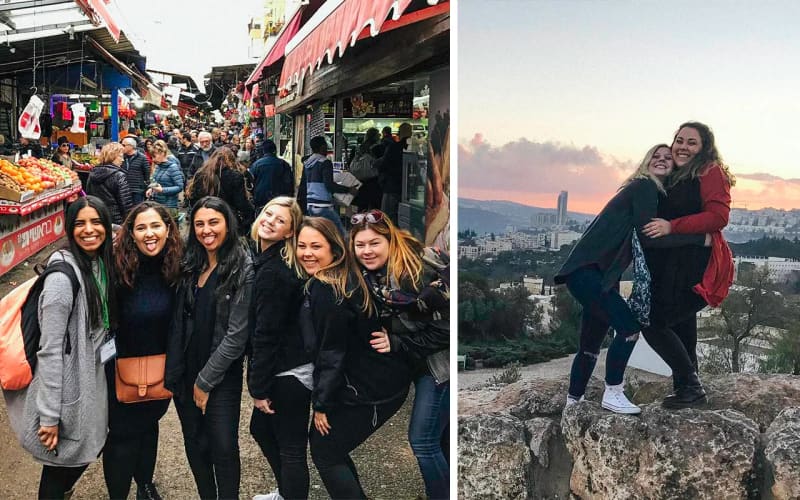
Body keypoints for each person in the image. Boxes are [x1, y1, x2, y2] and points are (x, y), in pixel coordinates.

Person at [554, 144, 710, 414]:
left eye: (666, 158)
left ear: (673, 167)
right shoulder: (644, 187)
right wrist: (700, 238)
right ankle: (613, 392)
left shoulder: (639, 190)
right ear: (645, 163)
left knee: (590, 346)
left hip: (595, 275)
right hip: (589, 273)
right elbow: (649, 236)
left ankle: (573, 403)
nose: (661, 160)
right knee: (628, 329)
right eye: (655, 157)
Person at [4, 196, 116, 499]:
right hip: (66, 389)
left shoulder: (98, 263)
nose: (89, 230)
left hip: (87, 379)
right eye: (80, 223)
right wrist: (49, 415)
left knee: (82, 453)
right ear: (69, 228)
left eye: (96, 222)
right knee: (59, 464)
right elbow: (50, 350)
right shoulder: (61, 281)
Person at [299, 217, 411, 499]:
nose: (307, 253)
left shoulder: (329, 288)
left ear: (335, 250)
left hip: (374, 390)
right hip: (378, 380)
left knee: (325, 451)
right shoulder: (346, 278)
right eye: (301, 246)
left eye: (316, 246)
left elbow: (331, 352)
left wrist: (321, 404)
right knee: (330, 448)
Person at [349, 210, 450, 499]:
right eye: (360, 245)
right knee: (440, 440)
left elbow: (445, 330)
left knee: (422, 442)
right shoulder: (374, 278)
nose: (367, 251)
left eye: (374, 243)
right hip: (422, 364)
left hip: (438, 367)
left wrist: (398, 343)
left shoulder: (409, 272)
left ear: (389, 240)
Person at [641, 122, 736, 408]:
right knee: (682, 325)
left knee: (652, 321)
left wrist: (673, 226)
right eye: (678, 140)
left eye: (691, 142)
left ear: (704, 147)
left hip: (693, 264)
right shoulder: (676, 174)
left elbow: (718, 216)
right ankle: (685, 388)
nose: (682, 146)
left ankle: (691, 385)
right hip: (671, 264)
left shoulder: (709, 171)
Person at [165, 196, 253, 500]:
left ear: (228, 224)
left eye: (213, 222)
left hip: (219, 373)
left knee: (223, 446)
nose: (206, 230)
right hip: (185, 367)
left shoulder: (241, 266)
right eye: (199, 224)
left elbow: (236, 336)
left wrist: (204, 382)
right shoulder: (192, 261)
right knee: (195, 441)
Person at [104, 202, 183, 500]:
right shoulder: (117, 267)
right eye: (141, 227)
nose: (149, 234)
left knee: (149, 426)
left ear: (168, 229)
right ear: (130, 233)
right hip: (121, 370)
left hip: (161, 369)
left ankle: (145, 485)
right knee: (124, 436)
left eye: (155, 226)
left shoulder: (178, 265)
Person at [247, 198, 312, 500]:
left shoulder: (274, 271)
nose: (270, 221)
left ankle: (290, 494)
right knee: (262, 430)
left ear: (290, 232)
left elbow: (267, 333)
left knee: (291, 448)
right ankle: (286, 491)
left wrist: (258, 387)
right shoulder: (268, 260)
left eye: (280, 220)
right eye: (268, 213)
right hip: (287, 367)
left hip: (289, 371)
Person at [296, 136, 356, 235]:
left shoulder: (308, 163)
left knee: (320, 232)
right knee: (341, 233)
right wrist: (348, 189)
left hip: (310, 204)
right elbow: (329, 185)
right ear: (322, 147)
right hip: (323, 204)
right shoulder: (325, 162)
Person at [188, 147, 255, 233]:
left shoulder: (201, 174)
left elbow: (193, 198)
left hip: (206, 216)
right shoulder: (235, 176)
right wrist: (248, 217)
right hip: (228, 219)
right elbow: (241, 202)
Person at [86, 142, 134, 224]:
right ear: (113, 156)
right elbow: (126, 204)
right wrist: (129, 223)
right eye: (120, 157)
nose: (122, 160)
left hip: (97, 218)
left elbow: (88, 196)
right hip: (115, 220)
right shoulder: (119, 175)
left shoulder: (93, 173)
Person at [375, 122, 412, 224]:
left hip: (392, 185)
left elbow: (384, 164)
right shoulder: (414, 147)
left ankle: (390, 237)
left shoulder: (394, 147)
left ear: (400, 133)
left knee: (388, 216)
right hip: (409, 189)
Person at [248, 141, 294, 214]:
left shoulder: (256, 165)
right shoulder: (284, 164)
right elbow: (289, 184)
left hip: (261, 201)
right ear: (275, 151)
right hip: (279, 201)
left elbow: (250, 183)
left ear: (263, 151)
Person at [147, 140, 185, 218]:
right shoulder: (158, 166)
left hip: (169, 206)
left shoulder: (173, 167)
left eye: (155, 156)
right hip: (158, 204)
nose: (153, 159)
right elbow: (156, 181)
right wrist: (151, 189)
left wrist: (162, 190)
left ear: (163, 154)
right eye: (152, 157)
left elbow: (179, 187)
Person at [350, 128, 383, 210]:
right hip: (374, 182)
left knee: (362, 206)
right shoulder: (378, 148)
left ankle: (360, 221)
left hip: (360, 182)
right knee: (375, 207)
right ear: (376, 136)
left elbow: (350, 162)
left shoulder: (358, 148)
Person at [122, 137, 151, 205]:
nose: (122, 147)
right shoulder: (121, 157)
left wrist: (145, 186)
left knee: (137, 210)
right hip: (124, 190)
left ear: (131, 146)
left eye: (124, 145)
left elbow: (147, 174)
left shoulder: (142, 158)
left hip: (137, 190)